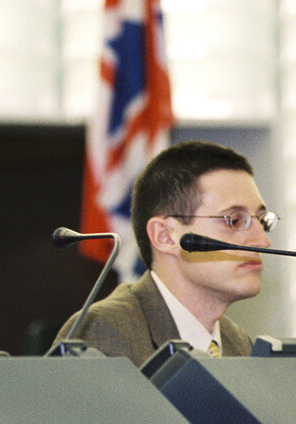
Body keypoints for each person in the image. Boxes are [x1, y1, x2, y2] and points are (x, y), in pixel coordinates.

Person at [52, 140, 277, 366]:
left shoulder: (239, 344)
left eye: (262, 221)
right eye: (235, 221)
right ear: (165, 236)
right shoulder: (103, 333)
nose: (262, 241)